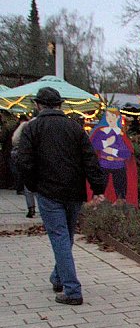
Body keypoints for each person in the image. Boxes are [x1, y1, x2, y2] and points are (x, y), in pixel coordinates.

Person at [16, 86, 107, 306]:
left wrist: (32, 184)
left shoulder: (32, 129)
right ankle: (58, 278)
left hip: (48, 192)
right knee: (66, 236)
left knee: (59, 237)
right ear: (60, 105)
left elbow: (24, 162)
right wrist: (98, 188)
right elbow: (90, 160)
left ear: (38, 105)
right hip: (74, 191)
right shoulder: (75, 129)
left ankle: (72, 290)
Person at [10, 116, 37, 217]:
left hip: (28, 159)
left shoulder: (25, 126)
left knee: (28, 185)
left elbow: (15, 140)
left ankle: (31, 208)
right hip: (42, 159)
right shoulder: (47, 128)